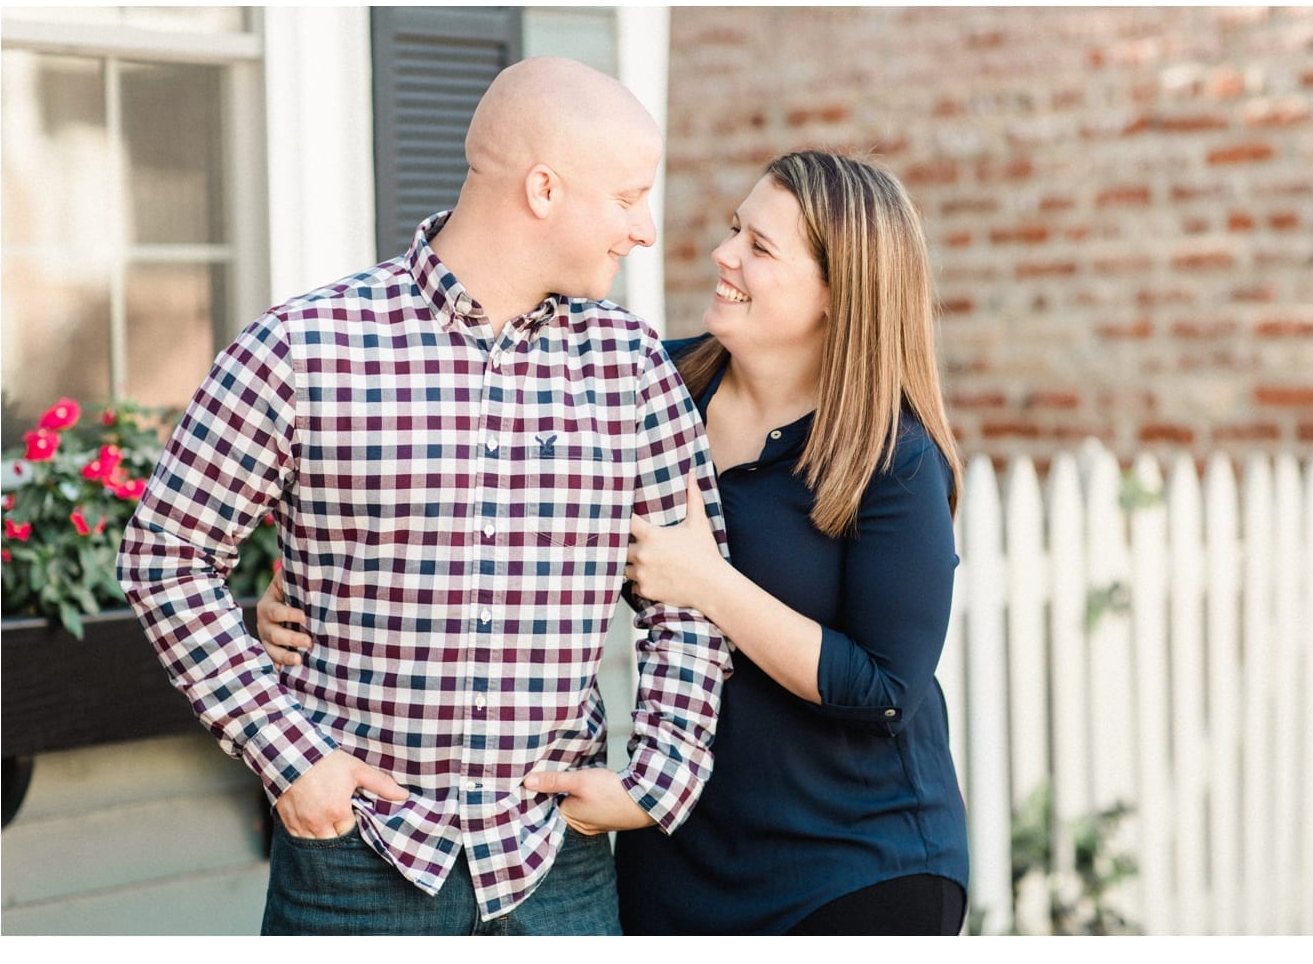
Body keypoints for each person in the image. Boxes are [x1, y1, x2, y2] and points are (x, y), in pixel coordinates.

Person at [260, 149, 970, 935]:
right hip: (674, 846)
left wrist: (707, 582)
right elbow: (486, 494)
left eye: (760, 248)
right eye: (736, 229)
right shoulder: (652, 387)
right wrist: (319, 574)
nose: (722, 253)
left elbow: (883, 688)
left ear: (841, 296)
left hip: (852, 866)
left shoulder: (891, 459)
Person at [117, 56, 732, 937]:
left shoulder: (632, 372)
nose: (644, 227)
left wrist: (657, 775)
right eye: (630, 196)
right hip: (353, 863)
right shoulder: (303, 348)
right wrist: (292, 759)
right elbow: (166, 555)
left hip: (555, 869)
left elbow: (690, 599)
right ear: (545, 189)